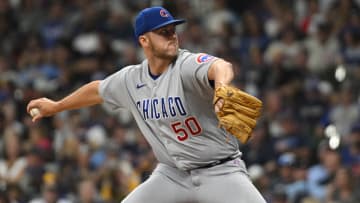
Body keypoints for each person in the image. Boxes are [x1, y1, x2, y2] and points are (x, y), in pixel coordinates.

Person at [27, 6, 266, 203]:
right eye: (163, 32)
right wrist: (56, 106)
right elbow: (97, 90)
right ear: (144, 40)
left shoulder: (185, 65)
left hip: (220, 171)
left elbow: (220, 66)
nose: (172, 35)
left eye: (173, 30)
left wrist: (222, 88)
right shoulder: (132, 79)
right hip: (172, 174)